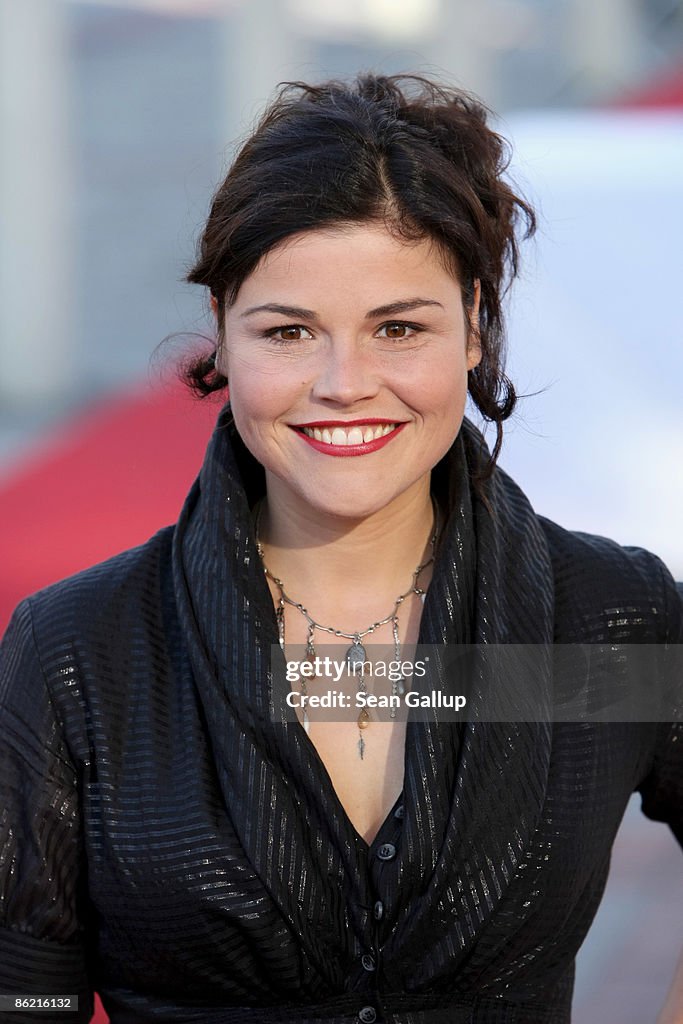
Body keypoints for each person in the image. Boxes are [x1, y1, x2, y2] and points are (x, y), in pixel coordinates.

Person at [0, 73, 681, 1024]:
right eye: (288, 332)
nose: (344, 383)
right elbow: (21, 986)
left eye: (398, 328)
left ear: (476, 324)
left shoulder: (607, 617)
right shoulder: (82, 650)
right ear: (223, 337)